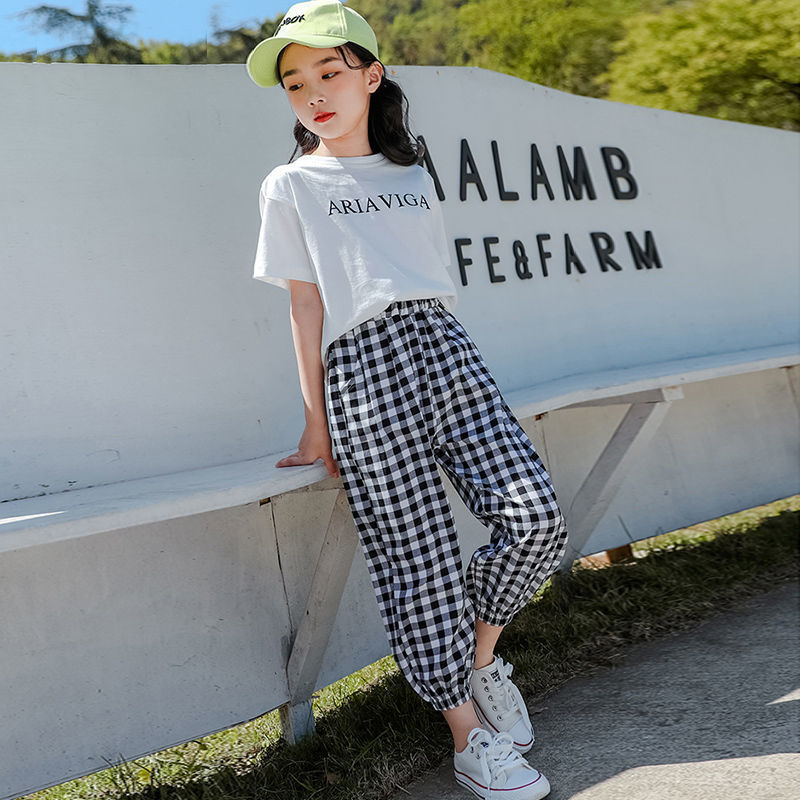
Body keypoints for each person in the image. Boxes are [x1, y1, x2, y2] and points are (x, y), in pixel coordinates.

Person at [246, 2, 569, 798]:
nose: (314, 92)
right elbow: (306, 306)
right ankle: (468, 736)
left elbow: (429, 283)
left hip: (444, 349)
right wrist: (318, 419)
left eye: (329, 70)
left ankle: (483, 657)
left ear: (370, 74)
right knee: (416, 562)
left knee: (534, 517)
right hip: (362, 369)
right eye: (295, 82)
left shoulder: (413, 174)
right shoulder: (290, 183)